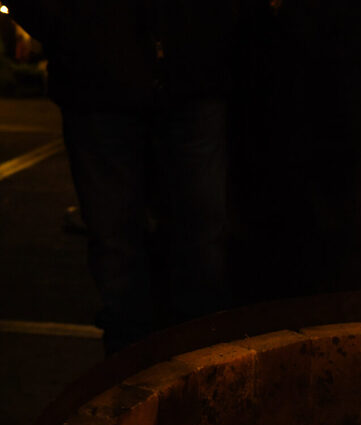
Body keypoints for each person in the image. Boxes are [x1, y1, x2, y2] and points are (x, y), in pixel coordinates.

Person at [6, 1, 244, 353]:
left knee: (197, 243)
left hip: (183, 66)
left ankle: (192, 369)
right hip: (112, 71)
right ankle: (139, 376)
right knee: (128, 248)